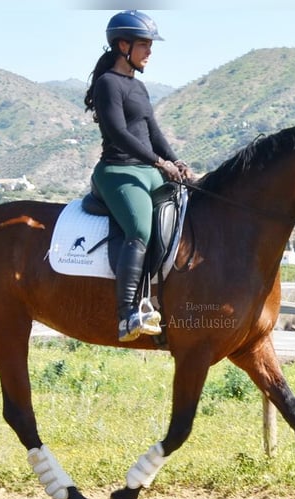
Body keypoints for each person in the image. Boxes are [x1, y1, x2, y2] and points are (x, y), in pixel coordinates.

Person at [84, 10, 193, 343]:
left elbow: (152, 132)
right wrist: (161, 162)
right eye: (144, 45)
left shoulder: (139, 87)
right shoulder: (108, 84)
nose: (150, 51)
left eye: (150, 45)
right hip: (118, 172)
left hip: (149, 169)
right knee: (141, 229)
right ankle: (127, 314)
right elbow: (118, 132)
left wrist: (177, 162)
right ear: (123, 45)